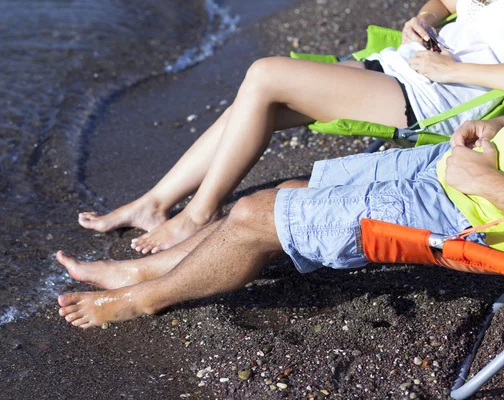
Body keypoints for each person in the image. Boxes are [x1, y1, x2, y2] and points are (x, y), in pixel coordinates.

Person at [77, 0, 504, 256]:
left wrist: (450, 70)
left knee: (266, 76)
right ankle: (155, 202)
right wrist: (423, 18)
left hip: (439, 98)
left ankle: (198, 214)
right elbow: (448, 2)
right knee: (255, 103)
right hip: (405, 64)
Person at [56, 116, 504, 328]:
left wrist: (484, 179)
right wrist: (493, 125)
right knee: (291, 191)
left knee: (256, 213)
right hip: (459, 165)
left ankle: (144, 296)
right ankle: (142, 268)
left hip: (470, 211)